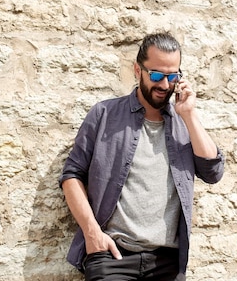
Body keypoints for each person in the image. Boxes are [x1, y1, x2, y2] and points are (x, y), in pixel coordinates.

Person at [59, 32, 225, 281]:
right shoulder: (104, 114)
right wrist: (92, 233)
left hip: (167, 262)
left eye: (173, 76)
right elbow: (72, 176)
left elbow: (213, 172)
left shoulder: (183, 123)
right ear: (138, 70)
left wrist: (189, 115)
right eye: (156, 75)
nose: (165, 84)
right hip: (112, 257)